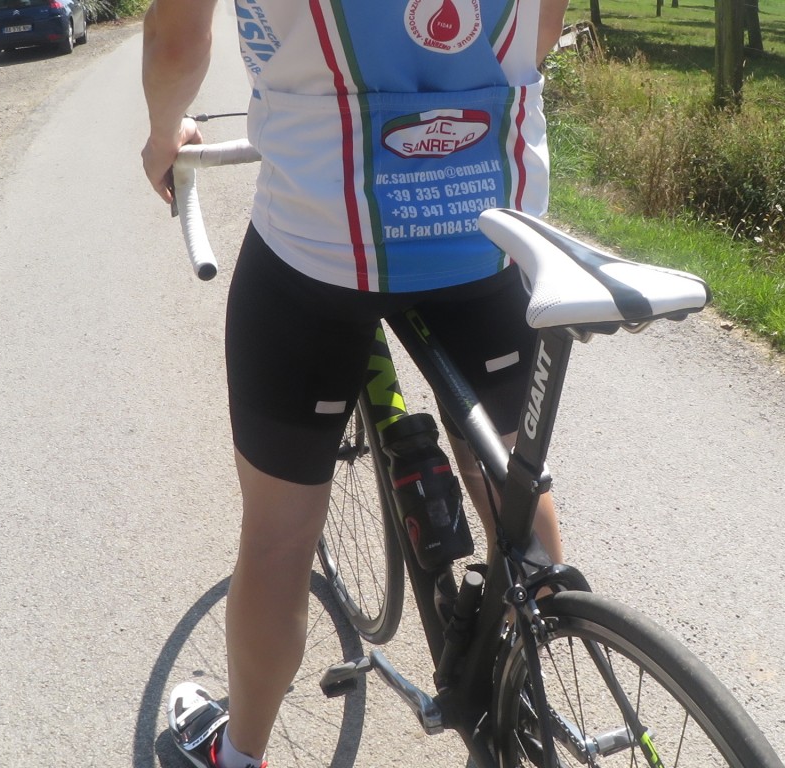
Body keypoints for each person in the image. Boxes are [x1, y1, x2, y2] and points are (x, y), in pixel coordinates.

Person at [142, 1, 569, 766]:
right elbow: (540, 27)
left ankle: (237, 754)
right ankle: (535, 685)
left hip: (323, 236)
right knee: (511, 477)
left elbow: (178, 40)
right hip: (490, 215)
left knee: (277, 539)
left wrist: (162, 133)